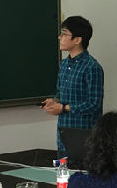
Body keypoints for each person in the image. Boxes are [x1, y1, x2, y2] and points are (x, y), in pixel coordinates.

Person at [41, 15, 104, 157]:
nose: (59, 37)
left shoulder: (92, 67)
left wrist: (63, 108)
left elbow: (94, 104)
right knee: (62, 170)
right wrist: (54, 101)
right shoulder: (64, 64)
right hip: (63, 136)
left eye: (64, 34)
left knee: (83, 171)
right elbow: (60, 93)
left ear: (77, 39)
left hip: (84, 137)